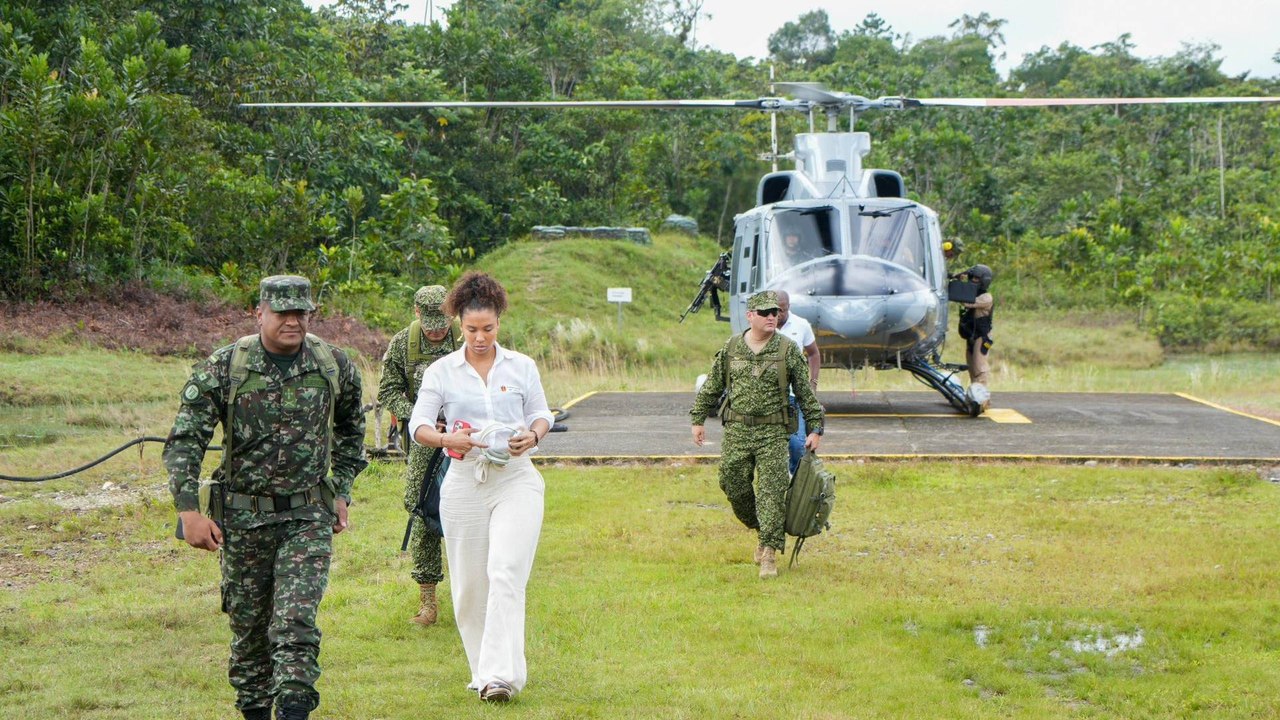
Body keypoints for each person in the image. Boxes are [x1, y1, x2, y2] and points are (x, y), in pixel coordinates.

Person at [164, 275, 367, 720]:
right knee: (250, 635)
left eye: (301, 312)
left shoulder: (332, 364)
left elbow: (352, 430)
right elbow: (185, 441)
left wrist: (342, 489)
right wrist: (188, 512)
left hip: (306, 518)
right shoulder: (225, 367)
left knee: (294, 625)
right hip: (242, 521)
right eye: (282, 312)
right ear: (260, 312)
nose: (293, 321)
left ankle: (295, 710)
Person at [408, 271, 554, 703]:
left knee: (505, 572)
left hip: (516, 479)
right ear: (458, 324)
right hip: (464, 481)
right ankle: (483, 672)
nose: (479, 337)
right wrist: (445, 438)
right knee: (470, 587)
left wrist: (535, 434)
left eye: (487, 329)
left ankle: (500, 677)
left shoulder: (521, 366)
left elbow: (541, 413)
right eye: (471, 329)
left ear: (499, 323)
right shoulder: (441, 372)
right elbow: (418, 424)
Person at [690, 290, 824, 579]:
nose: (772, 317)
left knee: (771, 492)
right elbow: (712, 385)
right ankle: (763, 528)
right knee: (732, 483)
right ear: (750, 315)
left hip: (773, 432)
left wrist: (815, 427)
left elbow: (805, 393)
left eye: (775, 312)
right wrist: (698, 419)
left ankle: (769, 554)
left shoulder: (787, 349)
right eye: (764, 313)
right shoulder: (732, 347)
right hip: (737, 431)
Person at [378, 285, 455, 626]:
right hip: (424, 444)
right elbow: (389, 391)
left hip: (466, 438)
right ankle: (428, 602)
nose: (438, 329)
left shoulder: (467, 337)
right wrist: (418, 415)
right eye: (431, 322)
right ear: (417, 312)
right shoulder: (401, 345)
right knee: (423, 512)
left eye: (444, 321)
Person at [774, 290, 821, 474]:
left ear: (789, 307)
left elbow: (814, 353)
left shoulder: (801, 325)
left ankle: (794, 478)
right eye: (775, 310)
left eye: (782, 310)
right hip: (770, 396)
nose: (778, 315)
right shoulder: (764, 327)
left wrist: (813, 383)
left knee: (797, 443)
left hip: (794, 396)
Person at [958, 264, 995, 410]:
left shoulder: (986, 298)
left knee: (980, 367)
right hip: (972, 335)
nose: (973, 281)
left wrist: (959, 287)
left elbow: (966, 301)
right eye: (971, 278)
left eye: (976, 278)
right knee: (972, 368)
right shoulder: (975, 294)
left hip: (982, 336)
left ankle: (983, 399)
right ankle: (975, 397)